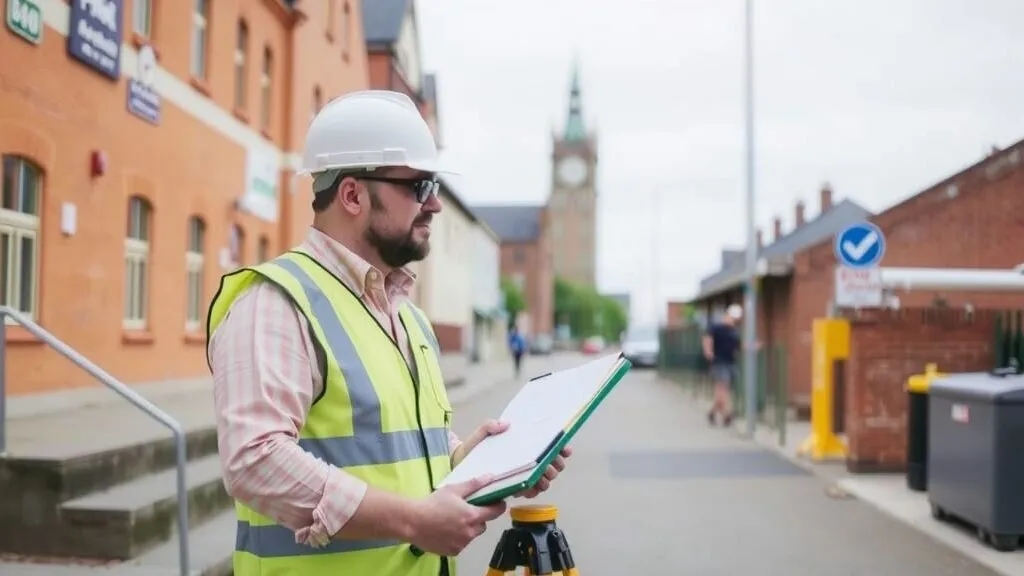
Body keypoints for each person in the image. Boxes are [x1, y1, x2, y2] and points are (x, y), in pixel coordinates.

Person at [207, 90, 572, 576]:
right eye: (419, 186)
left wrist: (485, 465)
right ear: (353, 194)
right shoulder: (277, 303)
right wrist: (413, 522)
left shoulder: (409, 318)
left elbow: (403, 459)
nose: (437, 204)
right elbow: (254, 460)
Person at [703, 303, 742, 427]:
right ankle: (727, 414)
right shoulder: (716, 327)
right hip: (719, 361)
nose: (733, 321)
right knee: (723, 388)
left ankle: (712, 412)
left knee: (721, 389)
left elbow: (738, 346)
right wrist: (708, 352)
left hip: (730, 361)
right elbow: (708, 339)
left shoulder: (734, 331)